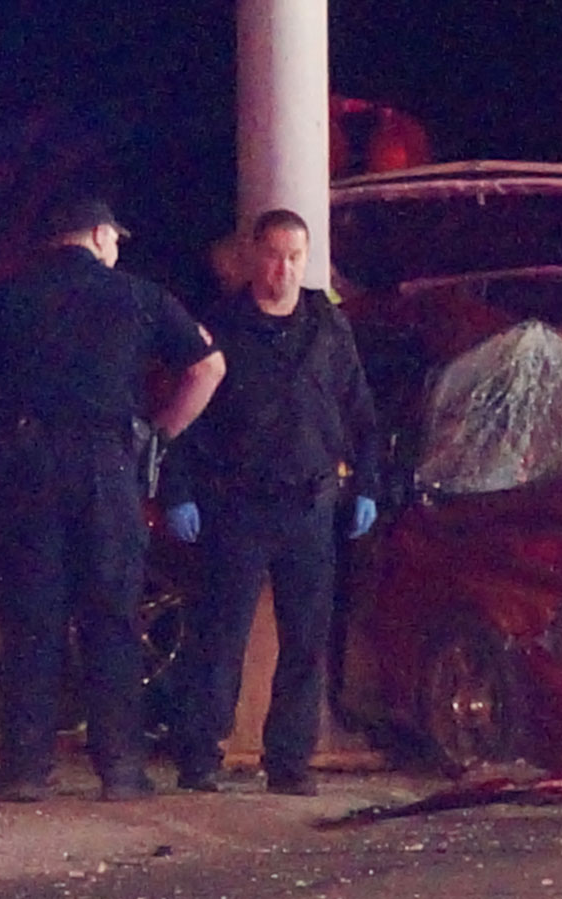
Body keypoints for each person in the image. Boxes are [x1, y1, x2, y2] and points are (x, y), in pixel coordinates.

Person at [0, 198, 225, 802]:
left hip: (29, 468)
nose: (117, 249)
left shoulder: (8, 297)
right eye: (115, 239)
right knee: (112, 617)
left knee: (32, 619)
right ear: (97, 234)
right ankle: (121, 769)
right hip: (108, 468)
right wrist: (158, 435)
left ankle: (25, 769)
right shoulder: (140, 296)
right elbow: (208, 368)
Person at [161, 209, 380, 796]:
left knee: (306, 640)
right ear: (253, 256)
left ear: (306, 260)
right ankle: (200, 755)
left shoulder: (328, 326)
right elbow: (185, 418)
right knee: (219, 636)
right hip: (237, 504)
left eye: (294, 257)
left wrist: (367, 485)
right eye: (273, 255)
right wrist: (178, 491)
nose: (283, 269)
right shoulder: (220, 326)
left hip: (310, 504)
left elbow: (359, 411)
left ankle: (289, 761)